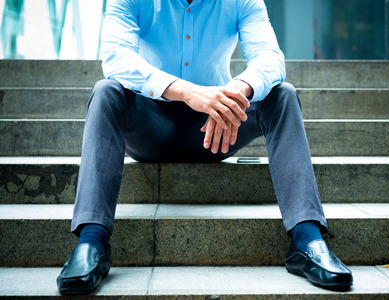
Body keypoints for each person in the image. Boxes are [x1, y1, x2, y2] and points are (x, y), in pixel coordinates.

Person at [56, 0, 353, 295]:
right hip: (152, 126)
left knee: (283, 95)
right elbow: (117, 58)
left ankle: (307, 241)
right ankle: (91, 243)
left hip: (216, 130)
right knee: (106, 91)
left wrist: (238, 90)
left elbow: (270, 58)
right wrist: (188, 92)